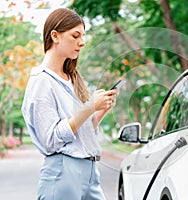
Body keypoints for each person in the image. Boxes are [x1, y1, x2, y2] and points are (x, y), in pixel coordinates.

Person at [21, 8, 118, 200]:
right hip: (64, 172)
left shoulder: (72, 78)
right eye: (75, 36)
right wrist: (89, 106)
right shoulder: (42, 81)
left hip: (89, 171)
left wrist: (101, 109)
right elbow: (51, 140)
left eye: (83, 36)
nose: (82, 42)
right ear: (55, 36)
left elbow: (81, 130)